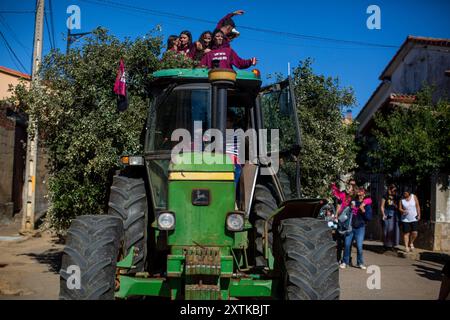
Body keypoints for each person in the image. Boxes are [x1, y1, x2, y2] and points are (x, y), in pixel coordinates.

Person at [341, 188, 372, 269]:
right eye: (359, 190)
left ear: (364, 194)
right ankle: (345, 262)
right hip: (350, 227)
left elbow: (369, 218)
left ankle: (360, 263)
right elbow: (346, 211)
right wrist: (350, 208)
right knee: (347, 245)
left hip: (360, 228)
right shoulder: (353, 202)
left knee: (359, 246)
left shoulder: (367, 204)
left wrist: (363, 209)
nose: (359, 192)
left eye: (361, 191)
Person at [399, 188, 421, 252]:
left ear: (409, 193)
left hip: (414, 218)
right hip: (405, 219)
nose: (404, 194)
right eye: (404, 193)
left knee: (415, 233)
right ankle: (406, 246)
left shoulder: (414, 197)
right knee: (406, 233)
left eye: (406, 193)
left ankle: (411, 243)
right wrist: (403, 211)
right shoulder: (401, 199)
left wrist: (419, 214)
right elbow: (399, 208)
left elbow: (417, 206)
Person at [381, 184, 400, 250]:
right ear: (390, 189)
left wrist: (395, 205)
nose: (394, 192)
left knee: (393, 230)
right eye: (393, 190)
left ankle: (392, 245)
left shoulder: (396, 197)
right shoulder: (385, 196)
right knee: (386, 229)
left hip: (394, 214)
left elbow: (398, 206)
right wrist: (383, 214)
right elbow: (382, 206)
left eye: (395, 190)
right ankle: (386, 244)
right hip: (387, 213)